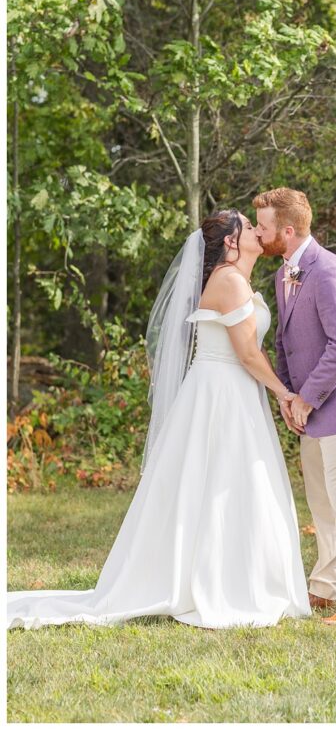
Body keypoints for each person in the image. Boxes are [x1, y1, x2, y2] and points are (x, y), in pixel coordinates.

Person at [7, 210, 311, 630]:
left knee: (228, 484)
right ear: (230, 241)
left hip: (233, 391)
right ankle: (218, 583)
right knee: (220, 482)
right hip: (220, 393)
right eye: (249, 226)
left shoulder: (236, 280)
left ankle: (236, 575)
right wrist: (285, 393)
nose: (260, 232)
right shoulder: (228, 281)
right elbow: (246, 353)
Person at [254, 187, 336, 626]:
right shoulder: (282, 275)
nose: (259, 233)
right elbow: (284, 343)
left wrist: (307, 399)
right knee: (321, 502)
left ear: (287, 231)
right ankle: (328, 586)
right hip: (307, 408)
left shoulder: (330, 270)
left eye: (264, 227)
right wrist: (291, 398)